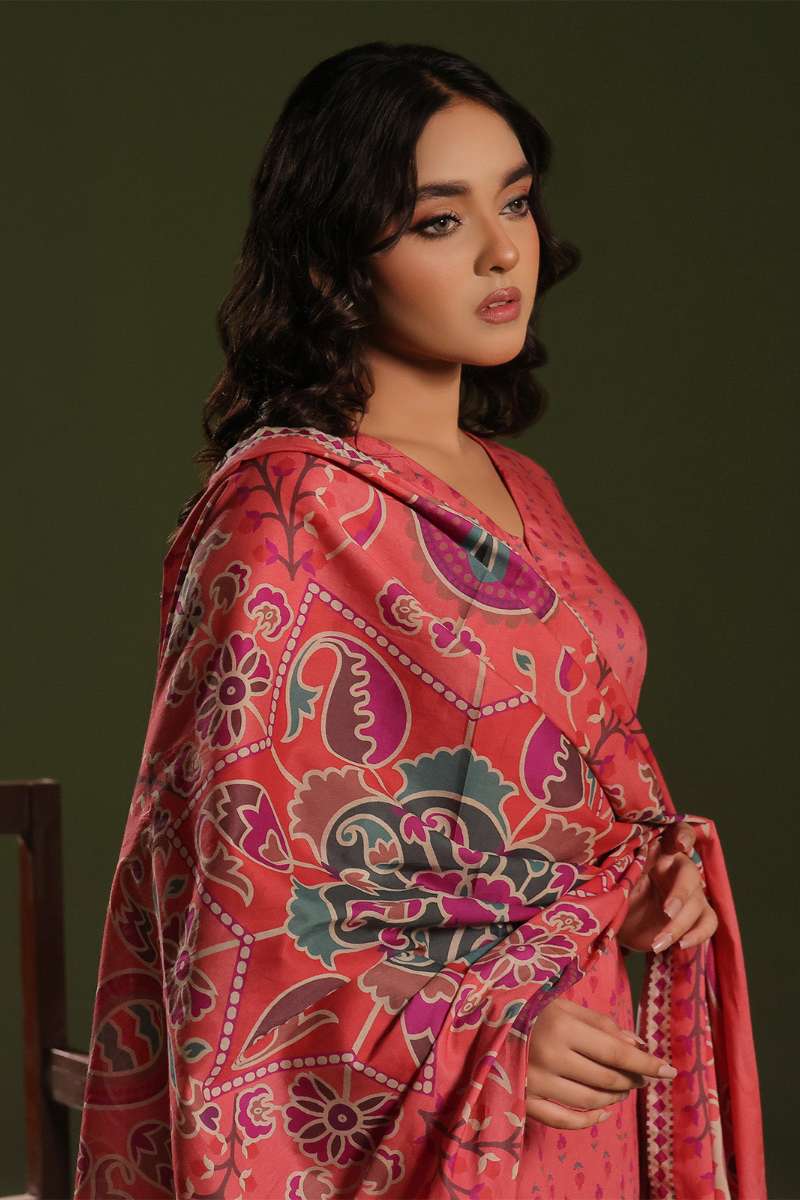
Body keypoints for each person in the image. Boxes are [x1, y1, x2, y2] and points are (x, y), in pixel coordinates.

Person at [73, 41, 766, 1200]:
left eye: (515, 202)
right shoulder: (284, 509)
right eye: (439, 221)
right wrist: (481, 1035)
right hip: (429, 1114)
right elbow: (232, 893)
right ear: (334, 258)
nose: (502, 251)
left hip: (587, 1063)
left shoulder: (520, 484)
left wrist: (650, 879)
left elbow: (560, 773)